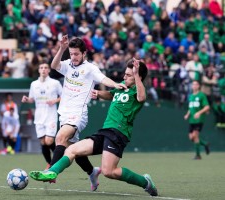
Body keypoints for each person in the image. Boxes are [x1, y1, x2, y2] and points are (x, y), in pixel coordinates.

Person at [29, 58, 158, 197]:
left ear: (138, 77)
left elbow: (142, 97)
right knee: (72, 149)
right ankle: (51, 172)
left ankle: (145, 182)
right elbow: (111, 94)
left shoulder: (137, 90)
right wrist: (98, 94)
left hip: (118, 133)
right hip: (105, 131)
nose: (124, 76)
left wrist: (137, 75)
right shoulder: (122, 86)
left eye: (128, 75)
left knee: (109, 172)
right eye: (125, 74)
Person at [43, 35, 127, 191]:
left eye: (76, 54)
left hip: (78, 113)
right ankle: (92, 172)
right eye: (71, 53)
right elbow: (54, 66)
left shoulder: (90, 68)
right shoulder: (68, 64)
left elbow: (103, 79)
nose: (73, 57)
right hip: (64, 113)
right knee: (73, 149)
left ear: (84, 53)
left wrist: (115, 84)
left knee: (60, 137)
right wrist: (62, 49)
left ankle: (51, 171)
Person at [22, 63, 62, 169]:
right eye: (41, 68)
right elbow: (31, 99)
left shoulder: (55, 83)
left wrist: (55, 100)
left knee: (49, 141)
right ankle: (50, 163)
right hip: (39, 117)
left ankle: (58, 159)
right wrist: (26, 99)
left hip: (51, 116)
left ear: (48, 70)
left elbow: (63, 96)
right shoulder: (34, 84)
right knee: (43, 142)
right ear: (39, 70)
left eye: (45, 68)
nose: (43, 69)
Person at [184, 80, 210, 160]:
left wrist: (199, 113)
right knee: (191, 137)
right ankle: (205, 144)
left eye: (196, 84)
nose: (194, 86)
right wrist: (187, 114)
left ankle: (198, 156)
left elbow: (207, 107)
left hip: (199, 120)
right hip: (191, 120)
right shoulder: (191, 96)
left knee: (195, 136)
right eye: (193, 84)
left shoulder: (201, 95)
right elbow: (190, 107)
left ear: (199, 86)